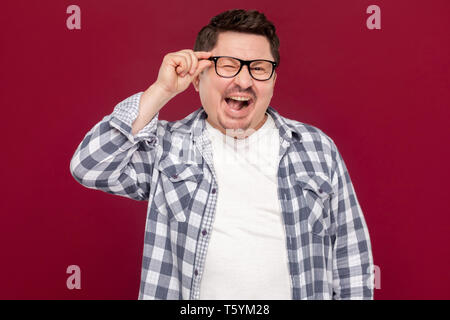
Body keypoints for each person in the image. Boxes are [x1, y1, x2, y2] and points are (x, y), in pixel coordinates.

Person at [70, 9, 374, 300]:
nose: (243, 81)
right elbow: (90, 166)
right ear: (198, 76)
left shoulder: (316, 147)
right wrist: (161, 89)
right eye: (228, 65)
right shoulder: (166, 147)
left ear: (273, 79)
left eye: (258, 68)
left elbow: (351, 259)